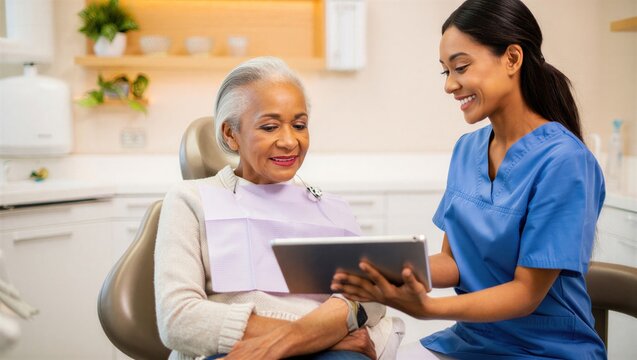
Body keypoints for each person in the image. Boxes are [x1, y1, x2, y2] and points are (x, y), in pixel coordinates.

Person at [331, 0, 607, 359]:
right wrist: (384, 273)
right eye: (444, 71)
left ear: (512, 58)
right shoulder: (468, 149)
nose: (449, 85)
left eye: (460, 67)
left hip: (545, 350)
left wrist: (427, 308)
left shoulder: (564, 162)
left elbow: (526, 294)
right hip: (472, 342)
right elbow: (454, 262)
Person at [154, 56, 403, 360]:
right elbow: (179, 320)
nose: (289, 141)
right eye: (270, 127)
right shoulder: (190, 200)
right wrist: (321, 335)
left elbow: (372, 303)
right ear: (231, 134)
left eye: (299, 125)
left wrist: (318, 335)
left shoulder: (327, 207)